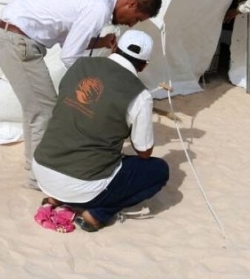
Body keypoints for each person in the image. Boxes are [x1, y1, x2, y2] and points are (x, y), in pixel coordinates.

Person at [0, 0, 162, 190]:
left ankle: (35, 170)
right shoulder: (98, 8)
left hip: (15, 39)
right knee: (44, 112)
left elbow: (69, 42)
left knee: (37, 110)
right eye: (136, 18)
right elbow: (70, 56)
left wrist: (101, 42)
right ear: (132, 4)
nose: (131, 25)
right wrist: (97, 82)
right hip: (18, 42)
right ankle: (38, 179)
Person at [32, 30, 169, 232]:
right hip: (83, 183)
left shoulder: (80, 65)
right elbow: (144, 151)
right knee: (158, 170)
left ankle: (57, 197)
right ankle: (96, 214)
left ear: (114, 48)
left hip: (43, 168)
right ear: (144, 65)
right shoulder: (140, 94)